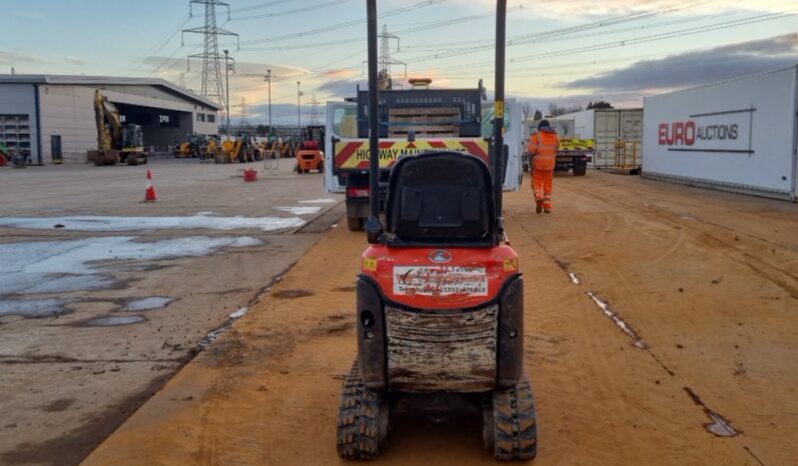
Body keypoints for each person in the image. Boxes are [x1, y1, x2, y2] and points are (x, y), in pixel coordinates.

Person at [528, 119, 559, 214]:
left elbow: (531, 150)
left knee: (536, 183)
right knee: (548, 186)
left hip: (538, 165)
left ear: (540, 127)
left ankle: (539, 197)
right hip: (550, 165)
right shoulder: (556, 137)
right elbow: (556, 148)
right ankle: (547, 207)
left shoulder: (536, 137)